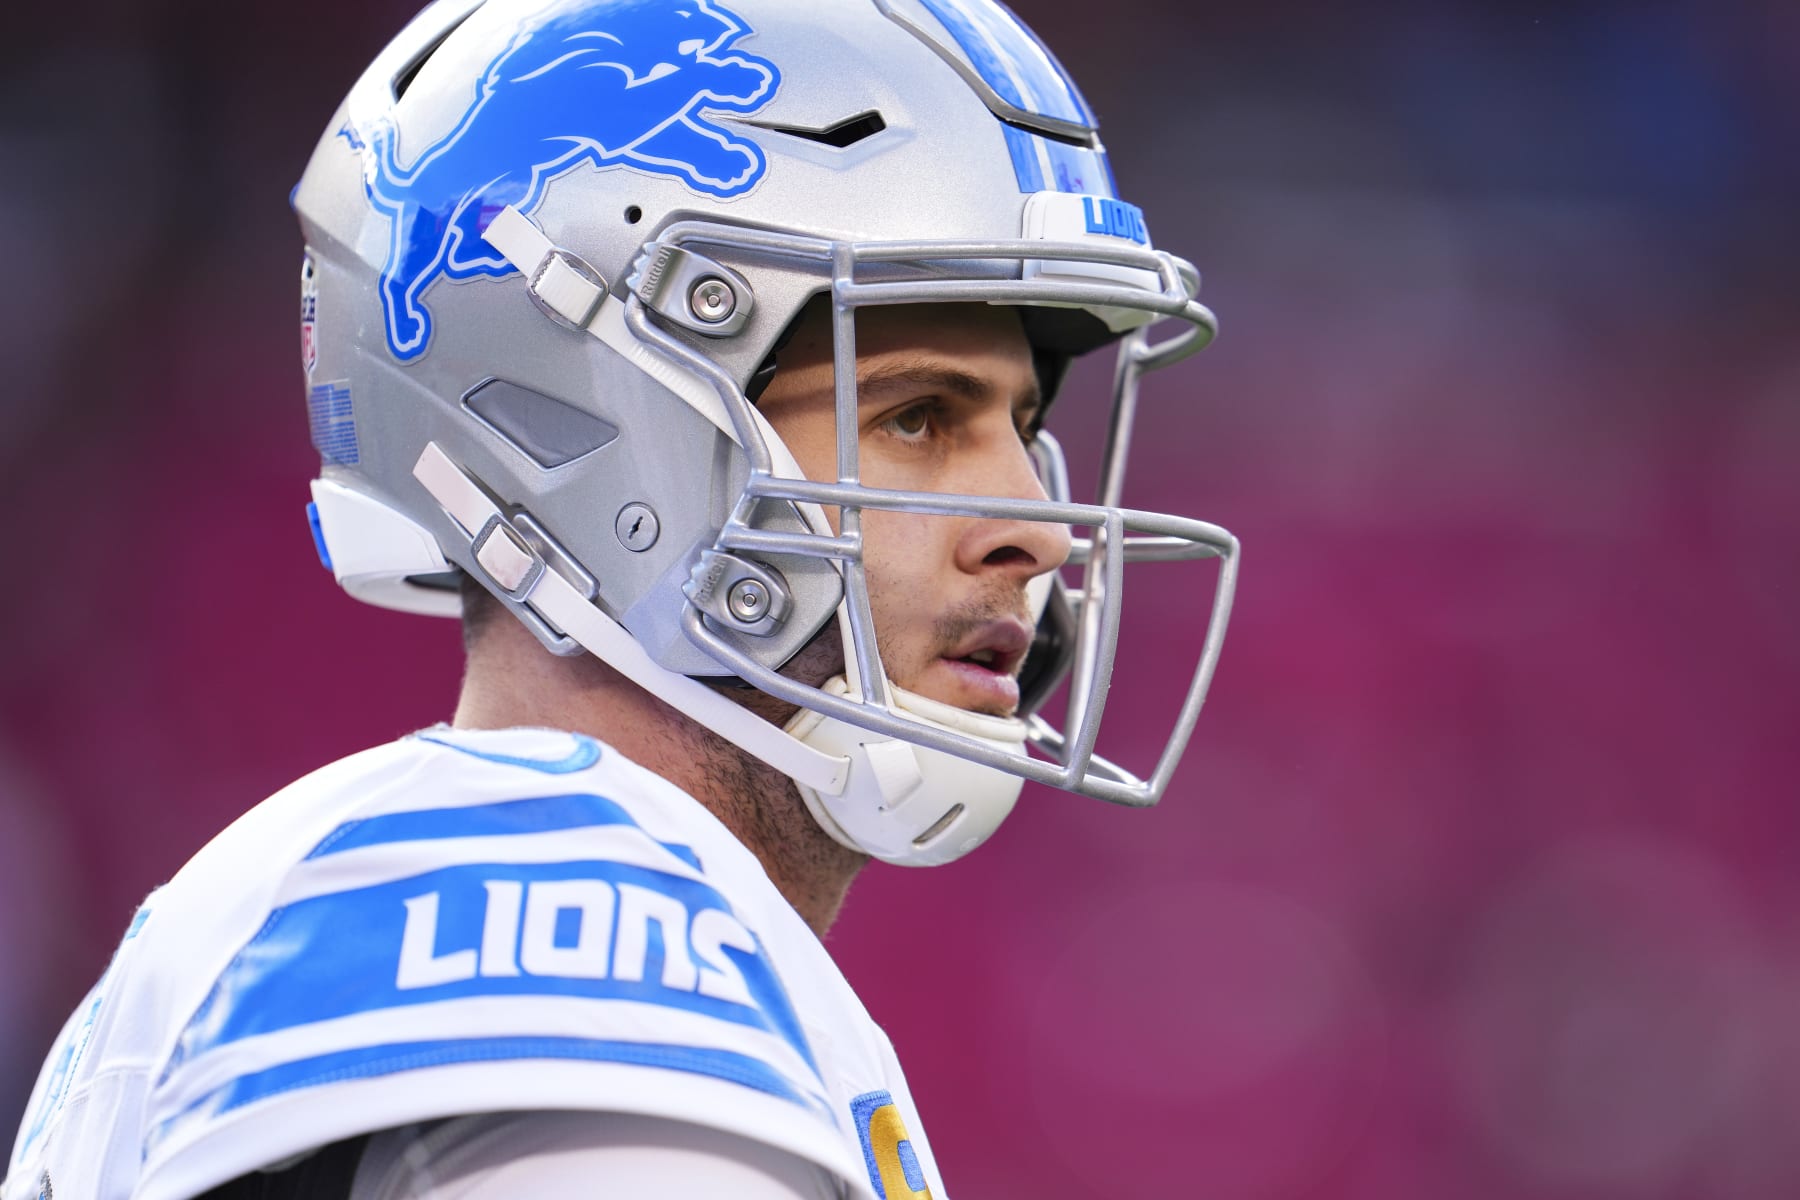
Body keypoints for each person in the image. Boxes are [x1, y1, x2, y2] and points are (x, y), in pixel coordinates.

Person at [5, 0, 1237, 1196]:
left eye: (1023, 425)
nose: (1032, 525)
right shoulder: (591, 948)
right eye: (917, 416)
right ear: (598, 435)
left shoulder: (337, 895)